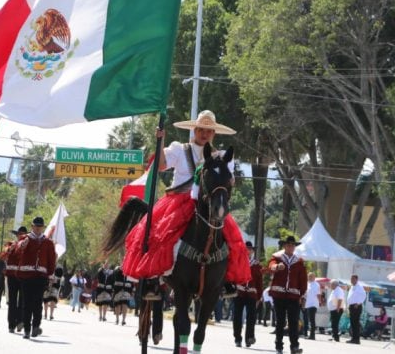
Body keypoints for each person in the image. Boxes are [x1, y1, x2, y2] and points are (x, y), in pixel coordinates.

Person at [121, 111, 251, 298]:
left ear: (214, 134)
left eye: (208, 131)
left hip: (207, 202)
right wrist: (160, 142)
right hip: (179, 200)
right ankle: (153, 278)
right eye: (200, 130)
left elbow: (229, 180)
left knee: (231, 238)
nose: (204, 134)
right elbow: (160, 165)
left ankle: (226, 280)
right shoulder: (180, 150)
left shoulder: (220, 156)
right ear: (194, 130)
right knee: (160, 234)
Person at [18, 216, 57, 339]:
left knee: (38, 302)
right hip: (27, 276)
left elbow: (51, 260)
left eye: (40, 227)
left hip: (41, 277)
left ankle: (36, 326)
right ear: (32, 227)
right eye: (36, 226)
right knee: (27, 303)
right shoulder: (26, 238)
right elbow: (19, 248)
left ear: (42, 228)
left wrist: (50, 274)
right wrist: (22, 245)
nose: (38, 229)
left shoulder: (48, 242)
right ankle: (27, 329)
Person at [269, 235, 307, 354]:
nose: (291, 247)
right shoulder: (277, 258)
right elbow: (271, 266)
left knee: (293, 322)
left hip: (293, 297)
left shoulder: (299, 262)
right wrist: (276, 267)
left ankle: (294, 347)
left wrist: (302, 295)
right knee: (280, 321)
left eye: (293, 245)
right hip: (279, 295)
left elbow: (303, 280)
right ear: (284, 246)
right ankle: (279, 346)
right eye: (288, 245)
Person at [232, 240, 263, 347]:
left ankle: (249, 338)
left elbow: (259, 282)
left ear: (252, 251)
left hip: (251, 294)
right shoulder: (238, 262)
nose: (248, 251)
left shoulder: (257, 265)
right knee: (237, 316)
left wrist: (259, 297)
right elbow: (233, 276)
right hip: (239, 293)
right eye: (246, 249)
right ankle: (237, 338)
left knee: (251, 317)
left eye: (249, 249)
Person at [4, 226, 28, 333]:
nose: (21, 236)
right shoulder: (11, 244)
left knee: (22, 300)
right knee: (12, 300)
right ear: (17, 235)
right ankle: (11, 324)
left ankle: (20, 321)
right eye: (20, 234)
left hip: (23, 276)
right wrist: (11, 248)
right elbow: (5, 254)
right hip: (12, 276)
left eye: (23, 234)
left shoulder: (28, 246)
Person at [347, 274, 367, 344]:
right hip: (352, 306)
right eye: (351, 279)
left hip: (356, 307)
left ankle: (356, 339)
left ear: (356, 279)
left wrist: (358, 303)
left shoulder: (359, 287)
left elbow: (364, 295)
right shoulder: (352, 287)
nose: (351, 280)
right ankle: (353, 338)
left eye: (353, 279)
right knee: (353, 323)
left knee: (355, 323)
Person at [302, 272, 320, 341]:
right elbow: (305, 295)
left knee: (312, 320)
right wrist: (303, 304)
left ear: (314, 277)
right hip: (307, 304)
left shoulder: (316, 284)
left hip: (313, 304)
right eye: (308, 276)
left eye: (311, 276)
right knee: (308, 320)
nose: (309, 277)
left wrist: (320, 302)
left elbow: (318, 294)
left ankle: (312, 335)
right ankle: (307, 333)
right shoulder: (307, 284)